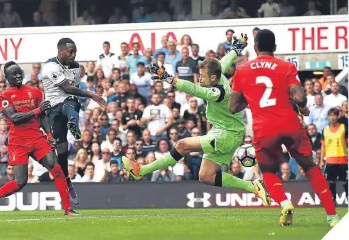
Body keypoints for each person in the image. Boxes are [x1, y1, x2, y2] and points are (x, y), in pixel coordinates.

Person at [123, 34, 271, 206]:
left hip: (227, 135)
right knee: (206, 176)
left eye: (202, 76)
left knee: (182, 145)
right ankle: (253, 187)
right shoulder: (218, 72)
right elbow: (226, 60)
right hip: (224, 131)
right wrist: (237, 49)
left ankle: (141, 170)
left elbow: (193, 89)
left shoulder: (217, 92)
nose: (199, 79)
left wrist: (167, 77)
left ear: (213, 79)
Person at [229, 29, 339, 227]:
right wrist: (301, 107)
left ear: (254, 48)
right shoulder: (286, 67)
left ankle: (285, 203)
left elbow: (233, 107)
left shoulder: (242, 70)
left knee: (268, 171)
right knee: (310, 167)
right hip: (290, 124)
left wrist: (252, 98)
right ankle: (332, 217)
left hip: (264, 128)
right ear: (275, 48)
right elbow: (301, 98)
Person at [0, 61, 76, 216]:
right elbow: (14, 117)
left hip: (37, 138)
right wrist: (37, 110)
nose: (18, 75)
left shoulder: (35, 91)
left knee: (55, 167)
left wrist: (49, 135)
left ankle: (68, 209)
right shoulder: (3, 96)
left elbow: (43, 116)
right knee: (20, 182)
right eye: (14, 74)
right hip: (18, 142)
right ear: (7, 77)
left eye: (19, 72)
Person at [41, 38, 107, 205]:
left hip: (68, 103)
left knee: (72, 102)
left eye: (75, 51)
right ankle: (67, 182)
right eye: (70, 51)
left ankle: (73, 123)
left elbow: (74, 90)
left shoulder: (75, 67)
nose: (73, 54)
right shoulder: (50, 66)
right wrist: (93, 95)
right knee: (62, 151)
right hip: (52, 109)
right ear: (60, 50)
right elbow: (68, 87)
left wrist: (84, 93)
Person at [320, 108, 348, 203]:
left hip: (342, 159)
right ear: (328, 117)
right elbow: (323, 145)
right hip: (330, 160)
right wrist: (321, 161)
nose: (332, 118)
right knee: (331, 182)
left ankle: (347, 198)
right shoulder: (325, 129)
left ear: (337, 116)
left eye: (334, 115)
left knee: (344, 182)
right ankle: (333, 200)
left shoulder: (343, 128)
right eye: (330, 115)